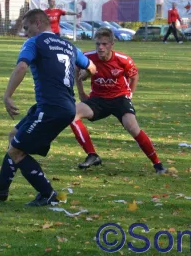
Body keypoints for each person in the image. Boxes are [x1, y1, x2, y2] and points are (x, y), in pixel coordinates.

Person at [0, 9, 97, 206]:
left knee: (17, 150)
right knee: (14, 135)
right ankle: (2, 187)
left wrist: (7, 96)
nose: (26, 32)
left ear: (38, 24)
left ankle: (47, 193)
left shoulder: (35, 42)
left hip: (51, 108)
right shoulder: (69, 45)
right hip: (65, 106)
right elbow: (91, 67)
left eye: (27, 28)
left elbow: (22, 67)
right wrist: (84, 78)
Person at [70, 27, 168, 174]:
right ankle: (92, 155)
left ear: (111, 45)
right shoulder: (88, 57)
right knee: (71, 114)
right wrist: (81, 92)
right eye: (98, 44)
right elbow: (77, 68)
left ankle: (158, 164)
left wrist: (130, 95)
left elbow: (134, 76)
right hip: (98, 99)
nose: (100, 48)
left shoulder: (123, 60)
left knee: (132, 127)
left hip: (119, 98)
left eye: (104, 44)